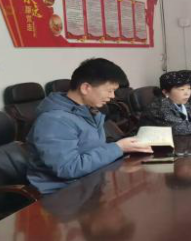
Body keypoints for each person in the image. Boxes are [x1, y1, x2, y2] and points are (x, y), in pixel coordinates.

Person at [26, 59, 152, 195]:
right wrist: (118, 148)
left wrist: (124, 148)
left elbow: (93, 148)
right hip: (63, 193)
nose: (112, 96)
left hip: (91, 182)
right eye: (109, 90)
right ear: (85, 88)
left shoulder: (87, 110)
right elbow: (68, 169)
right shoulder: (55, 120)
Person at [141, 70, 191, 135]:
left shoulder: (180, 102)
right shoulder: (160, 107)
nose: (187, 93)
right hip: (152, 147)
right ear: (165, 92)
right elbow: (181, 128)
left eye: (189, 88)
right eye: (182, 89)